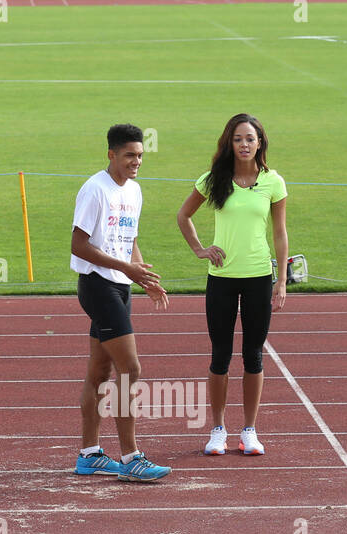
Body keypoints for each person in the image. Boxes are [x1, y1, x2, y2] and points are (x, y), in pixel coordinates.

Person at [176, 113, 288, 456]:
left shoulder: (273, 183)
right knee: (220, 356)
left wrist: (281, 280)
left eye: (250, 139)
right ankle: (218, 429)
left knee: (253, 355)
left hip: (258, 277)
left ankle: (250, 430)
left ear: (260, 143)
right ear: (229, 142)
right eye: (238, 139)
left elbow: (280, 233)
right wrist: (199, 249)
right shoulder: (213, 180)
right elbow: (183, 216)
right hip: (221, 279)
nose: (244, 145)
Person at [71, 123, 172, 483]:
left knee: (100, 371)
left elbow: (128, 239)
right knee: (131, 368)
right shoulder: (95, 190)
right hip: (97, 285)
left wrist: (142, 277)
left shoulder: (135, 191)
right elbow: (79, 245)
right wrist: (124, 268)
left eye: (141, 155)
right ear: (111, 154)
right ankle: (131, 458)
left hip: (120, 285)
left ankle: (89, 455)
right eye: (129, 155)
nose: (136, 162)